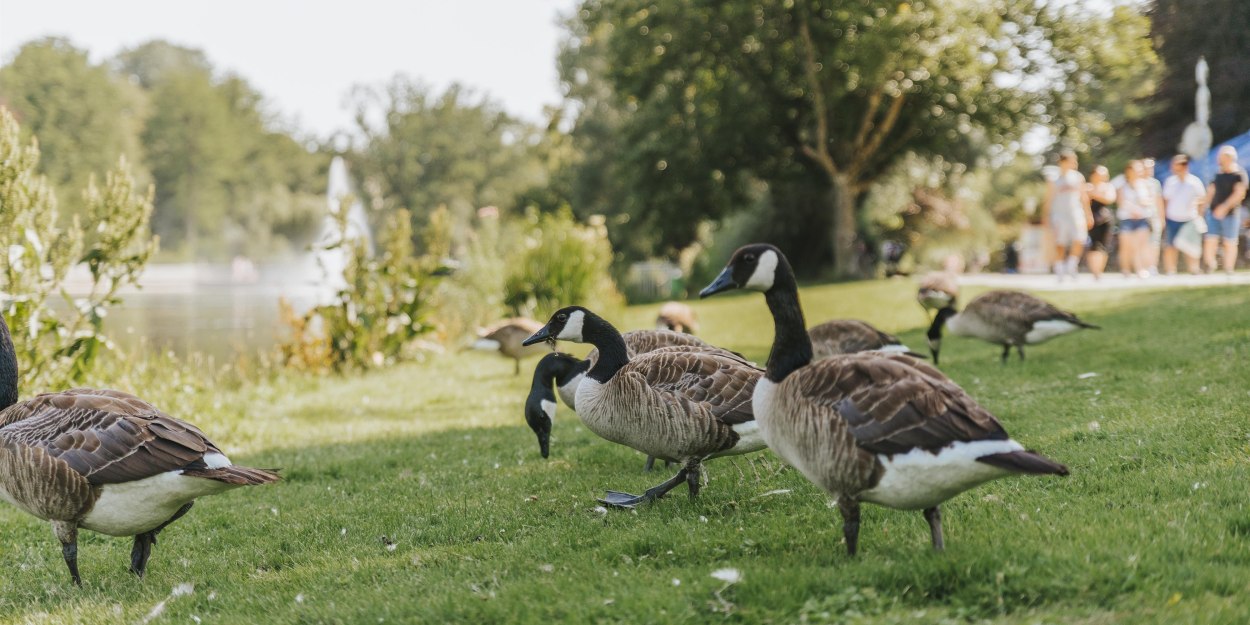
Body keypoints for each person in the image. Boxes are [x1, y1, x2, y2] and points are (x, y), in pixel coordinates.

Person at [1042, 151, 1092, 280]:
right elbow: (1048, 198)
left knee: (1080, 239)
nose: (1075, 163)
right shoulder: (1053, 178)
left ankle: (1072, 264)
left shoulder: (1078, 177)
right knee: (1060, 243)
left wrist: (1088, 214)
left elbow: (1083, 197)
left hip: (1075, 213)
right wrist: (1045, 217)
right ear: (1063, 162)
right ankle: (1059, 268)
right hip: (1059, 215)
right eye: (1072, 160)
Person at [1203, 145, 1249, 273]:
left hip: (1231, 213)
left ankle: (1229, 269)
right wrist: (1204, 206)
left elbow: (1239, 194)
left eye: (1221, 157)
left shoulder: (1239, 174)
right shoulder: (1217, 173)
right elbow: (1211, 191)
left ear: (1229, 158)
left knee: (1230, 241)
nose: (1219, 159)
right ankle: (1210, 266)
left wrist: (1224, 207)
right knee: (1210, 239)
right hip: (1213, 212)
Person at [1160, 154, 1207, 274]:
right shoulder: (1170, 182)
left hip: (1189, 218)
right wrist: (1163, 217)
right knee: (1171, 245)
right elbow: (1165, 201)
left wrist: (1198, 211)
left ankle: (1193, 268)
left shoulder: (1194, 182)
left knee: (1191, 244)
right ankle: (1170, 269)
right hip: (1172, 217)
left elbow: (1202, 198)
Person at [1116, 160, 1158, 278]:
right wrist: (1133, 209)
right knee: (1127, 246)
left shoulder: (1144, 184)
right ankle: (1126, 270)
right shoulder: (1122, 185)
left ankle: (1141, 269)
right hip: (1127, 219)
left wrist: (1142, 205)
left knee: (1141, 245)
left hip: (1142, 219)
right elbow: (1121, 201)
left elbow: (1150, 200)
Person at [1085, 165, 1116, 279]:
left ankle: (1099, 271)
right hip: (1091, 218)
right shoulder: (1087, 186)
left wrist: (1094, 194)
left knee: (1104, 245)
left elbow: (1109, 199)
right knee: (1093, 245)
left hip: (1104, 218)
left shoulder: (1108, 187)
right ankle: (1095, 272)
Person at [1141, 158, 1165, 274]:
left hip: (1154, 217)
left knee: (1154, 243)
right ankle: (1143, 266)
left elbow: (1159, 201)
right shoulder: (1137, 182)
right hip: (1141, 217)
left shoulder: (1155, 183)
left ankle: (1152, 266)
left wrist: (1162, 218)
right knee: (1143, 243)